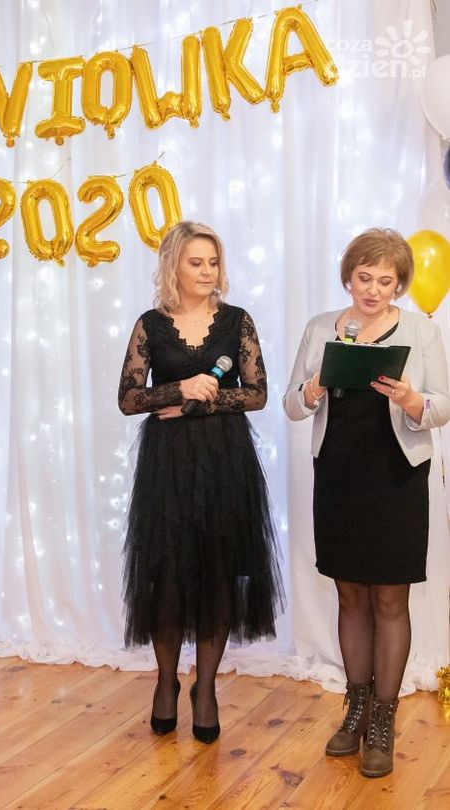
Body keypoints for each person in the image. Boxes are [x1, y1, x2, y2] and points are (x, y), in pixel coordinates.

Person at [283, 227, 450, 778]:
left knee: (390, 600)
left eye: (385, 280)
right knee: (349, 594)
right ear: (348, 277)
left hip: (396, 476)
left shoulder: (422, 330)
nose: (373, 289)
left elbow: (444, 404)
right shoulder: (319, 327)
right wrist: (311, 391)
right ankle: (354, 713)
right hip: (339, 474)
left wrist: (413, 400)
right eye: (364, 277)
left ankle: (382, 721)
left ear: (399, 284)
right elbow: (290, 404)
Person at [118, 220, 284, 744]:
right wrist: (177, 388)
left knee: (218, 572)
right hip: (166, 466)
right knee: (167, 574)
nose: (208, 271)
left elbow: (257, 394)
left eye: (213, 262)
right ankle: (166, 681)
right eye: (196, 262)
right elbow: (128, 398)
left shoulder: (237, 321)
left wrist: (194, 403)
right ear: (173, 265)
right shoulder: (150, 325)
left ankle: (205, 687)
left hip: (225, 460)